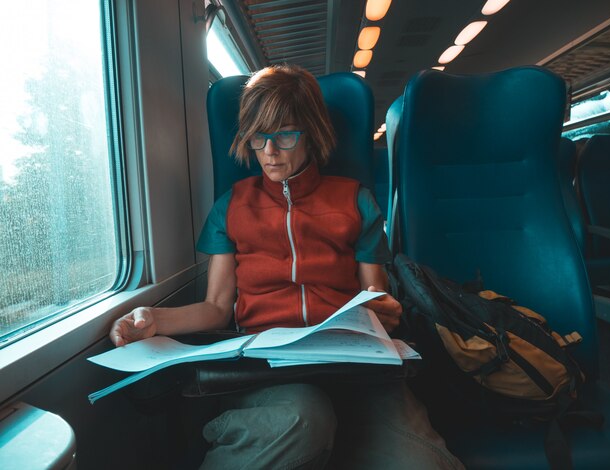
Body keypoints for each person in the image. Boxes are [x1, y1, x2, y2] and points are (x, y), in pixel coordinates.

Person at [109, 64, 464, 470]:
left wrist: (387, 310)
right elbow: (217, 307)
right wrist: (154, 319)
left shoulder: (356, 201)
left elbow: (375, 295)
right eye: (258, 138)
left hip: (353, 365)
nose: (270, 151)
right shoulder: (232, 207)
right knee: (302, 418)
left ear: (312, 132)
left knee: (419, 462)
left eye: (285, 135)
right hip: (267, 370)